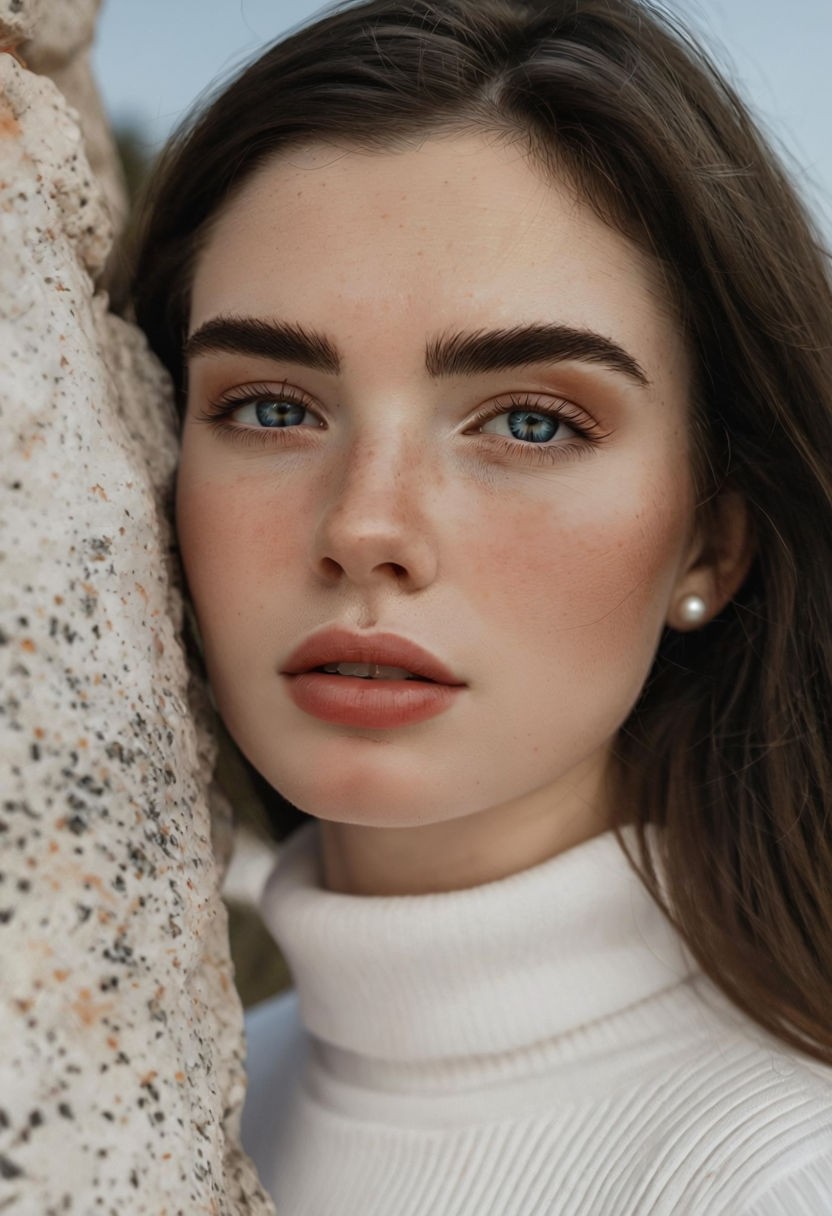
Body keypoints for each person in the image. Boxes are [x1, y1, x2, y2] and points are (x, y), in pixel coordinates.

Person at [129, 0, 832, 1210]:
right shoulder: (179, 1096)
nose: (365, 527)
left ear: (711, 542)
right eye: (272, 407)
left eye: (526, 422)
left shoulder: (778, 1167)